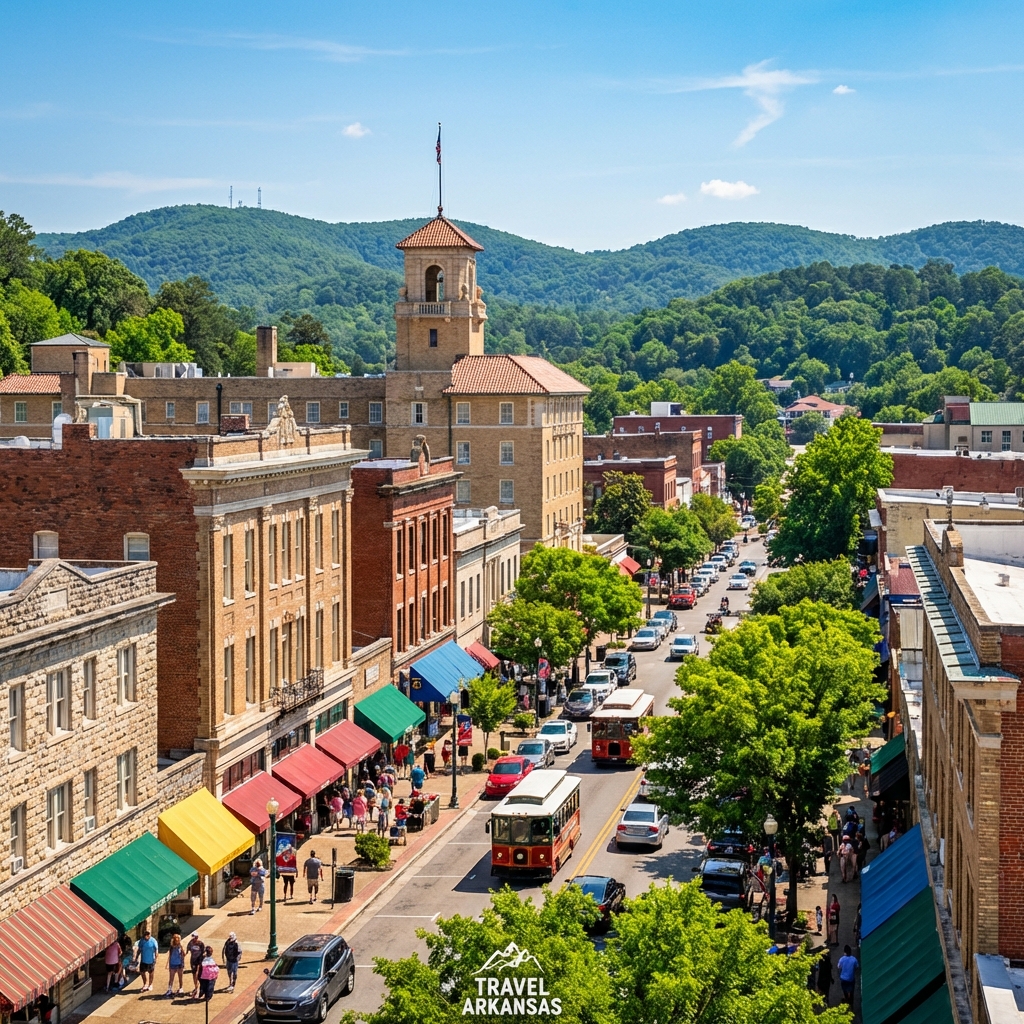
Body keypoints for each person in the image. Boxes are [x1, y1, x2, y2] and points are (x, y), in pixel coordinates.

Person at [187, 933, 205, 998]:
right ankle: (196, 987)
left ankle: (198, 989)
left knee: (198, 975)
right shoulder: (190, 943)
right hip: (193, 961)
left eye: (195, 938)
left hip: (199, 961)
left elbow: (204, 952)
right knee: (194, 974)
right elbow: (187, 950)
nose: (194, 939)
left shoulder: (201, 944)